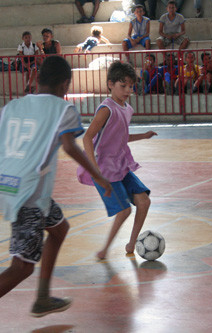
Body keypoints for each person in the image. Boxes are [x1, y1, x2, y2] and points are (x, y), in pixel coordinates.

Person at [0, 56, 112, 333]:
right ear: (65, 84)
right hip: (30, 196)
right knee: (21, 267)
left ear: (37, 79)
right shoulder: (63, 108)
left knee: (59, 229)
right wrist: (98, 175)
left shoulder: (14, 105)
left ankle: (43, 297)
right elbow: (69, 147)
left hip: (13, 187)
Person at [77, 61, 157, 260]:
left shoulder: (127, 108)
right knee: (124, 210)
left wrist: (143, 136)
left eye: (131, 86)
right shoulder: (106, 109)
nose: (128, 90)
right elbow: (87, 137)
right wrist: (95, 171)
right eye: (123, 86)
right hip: (104, 168)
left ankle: (131, 244)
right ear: (110, 84)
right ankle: (104, 250)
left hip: (120, 164)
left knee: (144, 202)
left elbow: (121, 136)